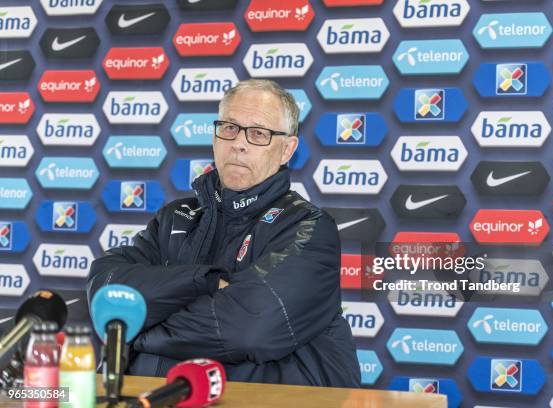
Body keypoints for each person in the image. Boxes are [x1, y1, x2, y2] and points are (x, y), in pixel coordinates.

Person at [87, 79, 361, 387]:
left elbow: (248, 328)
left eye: (258, 133)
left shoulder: (308, 227)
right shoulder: (175, 217)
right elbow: (105, 285)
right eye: (229, 127)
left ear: (287, 149)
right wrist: (205, 282)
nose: (238, 143)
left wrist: (133, 329)